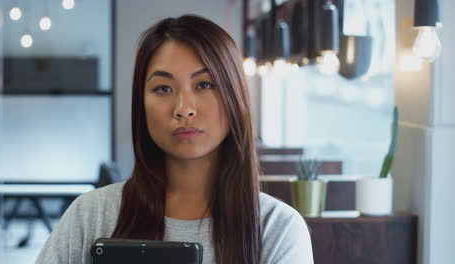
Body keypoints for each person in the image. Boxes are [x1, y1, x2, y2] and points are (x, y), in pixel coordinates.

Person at [36, 14, 313, 264]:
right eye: (163, 88)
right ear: (141, 105)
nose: (183, 108)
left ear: (235, 97)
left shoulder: (278, 229)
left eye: (204, 85)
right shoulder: (91, 215)